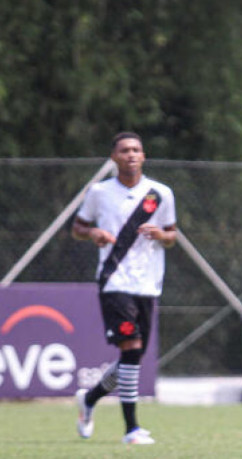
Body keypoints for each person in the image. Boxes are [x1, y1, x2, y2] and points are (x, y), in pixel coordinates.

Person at [72, 132, 177, 445]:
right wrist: (93, 233)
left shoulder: (160, 194)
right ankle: (131, 429)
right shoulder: (99, 192)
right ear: (114, 157)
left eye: (136, 150)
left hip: (147, 283)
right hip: (114, 281)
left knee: (132, 358)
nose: (131, 154)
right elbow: (77, 228)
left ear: (143, 156)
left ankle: (89, 399)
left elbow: (173, 236)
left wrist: (161, 234)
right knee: (130, 348)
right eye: (124, 150)